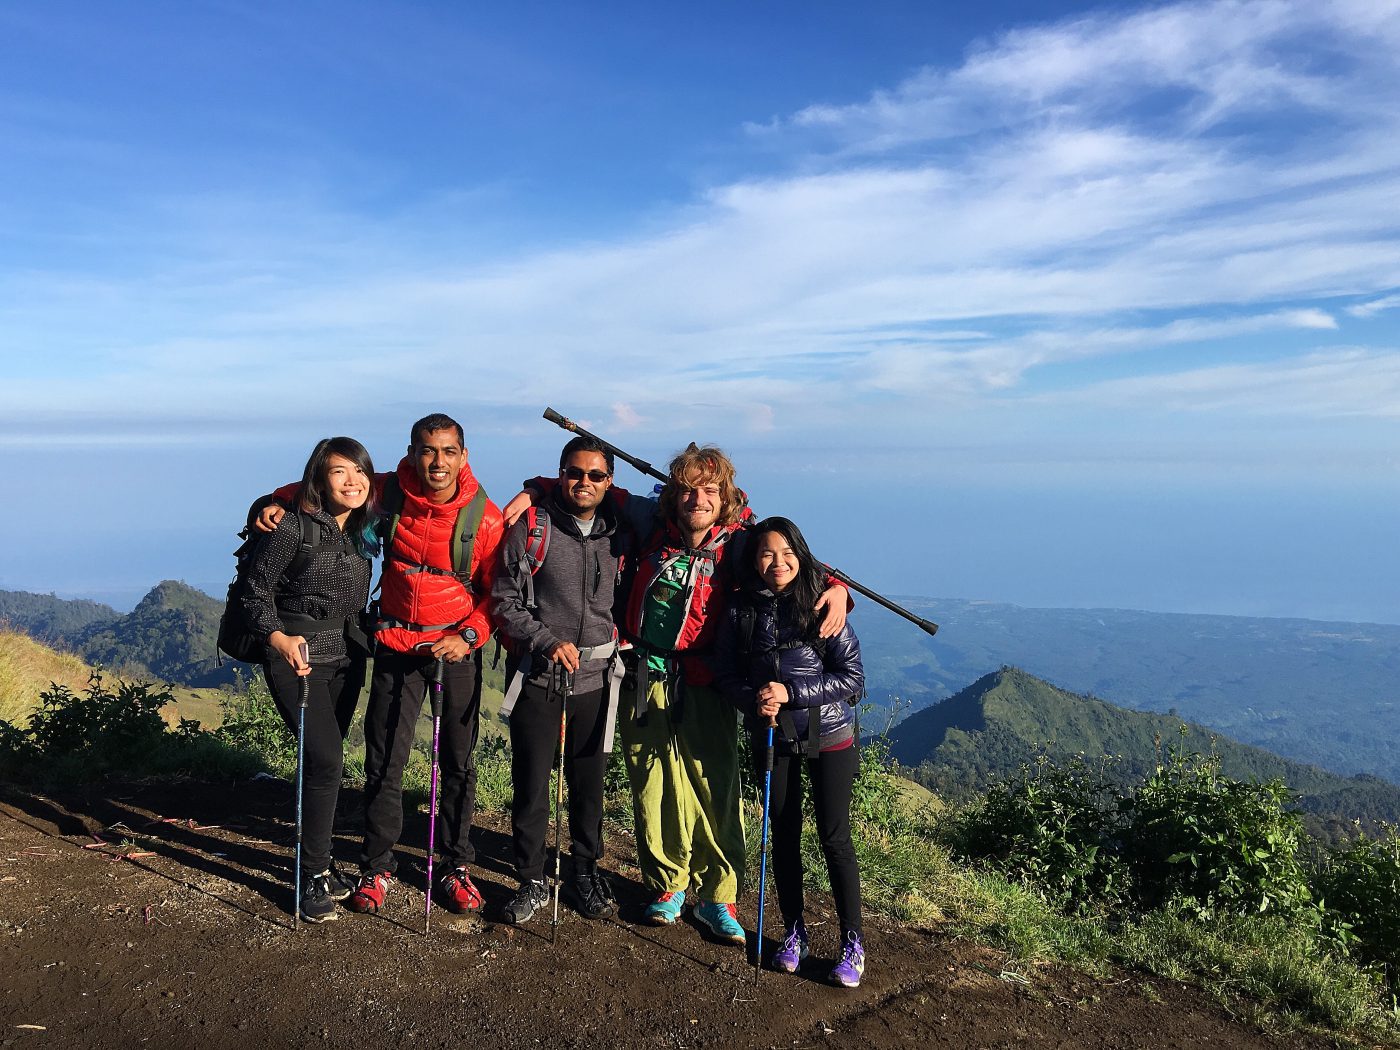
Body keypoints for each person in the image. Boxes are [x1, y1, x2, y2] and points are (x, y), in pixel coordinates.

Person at [504, 444, 847, 947]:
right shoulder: (649, 520)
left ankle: (718, 896)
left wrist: (836, 588)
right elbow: (596, 485)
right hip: (642, 671)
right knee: (653, 783)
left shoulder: (741, 544)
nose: (698, 499)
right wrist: (536, 486)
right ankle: (668, 884)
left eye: (710, 490)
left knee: (714, 785)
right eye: (687, 488)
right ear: (672, 493)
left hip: (708, 678)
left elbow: (791, 563)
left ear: (726, 496)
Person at [256, 413, 502, 917]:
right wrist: (271, 503)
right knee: (384, 760)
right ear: (412, 452)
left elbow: (499, 594)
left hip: (454, 648)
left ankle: (455, 865)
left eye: (448, 451)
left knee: (456, 761)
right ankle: (377, 864)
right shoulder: (388, 492)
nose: (437, 462)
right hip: (394, 642)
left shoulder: (486, 518)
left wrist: (470, 635)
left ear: (464, 455)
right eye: (427, 451)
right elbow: (319, 487)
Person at [713, 515, 867, 987]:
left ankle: (852, 943)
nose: (777, 563)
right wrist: (754, 698)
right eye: (766, 553)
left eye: (786, 553)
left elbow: (853, 679)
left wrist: (791, 694)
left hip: (830, 734)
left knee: (834, 837)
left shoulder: (823, 607)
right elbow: (726, 674)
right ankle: (793, 932)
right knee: (783, 835)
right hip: (772, 734)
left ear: (800, 555)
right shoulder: (741, 611)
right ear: (753, 560)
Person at [238, 436, 378, 923]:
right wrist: (277, 640)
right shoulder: (293, 528)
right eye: (339, 472)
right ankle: (308, 874)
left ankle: (318, 864)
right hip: (296, 658)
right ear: (318, 478)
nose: (352, 481)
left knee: (323, 764)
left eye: (359, 472)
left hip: (345, 659)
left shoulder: (361, 534)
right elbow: (254, 594)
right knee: (326, 760)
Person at [491, 436, 629, 925]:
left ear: (609, 481)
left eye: (595, 475)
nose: (584, 482)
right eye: (574, 472)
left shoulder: (622, 529)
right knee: (531, 783)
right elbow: (503, 600)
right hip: (540, 676)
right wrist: (545, 639)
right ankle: (530, 878)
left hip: (598, 677)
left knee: (588, 784)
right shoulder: (533, 528)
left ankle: (585, 870)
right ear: (560, 473)